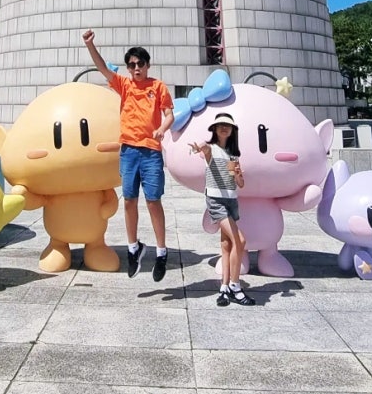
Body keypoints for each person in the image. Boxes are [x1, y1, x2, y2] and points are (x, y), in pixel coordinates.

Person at [82, 29, 174, 280]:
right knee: (129, 200)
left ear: (147, 65)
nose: (136, 68)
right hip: (129, 151)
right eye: (132, 65)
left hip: (151, 151)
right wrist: (90, 45)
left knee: (153, 201)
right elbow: (102, 69)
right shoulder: (124, 85)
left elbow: (169, 115)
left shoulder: (158, 87)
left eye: (140, 64)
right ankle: (134, 248)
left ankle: (161, 252)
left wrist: (162, 129)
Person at [190, 111, 255, 306]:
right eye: (220, 125)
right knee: (240, 241)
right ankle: (236, 287)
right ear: (215, 129)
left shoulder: (232, 155)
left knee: (227, 245)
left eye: (227, 126)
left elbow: (240, 184)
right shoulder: (211, 149)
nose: (224, 128)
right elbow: (204, 148)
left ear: (232, 130)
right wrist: (199, 147)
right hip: (216, 201)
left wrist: (238, 174)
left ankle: (224, 288)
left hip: (231, 201)